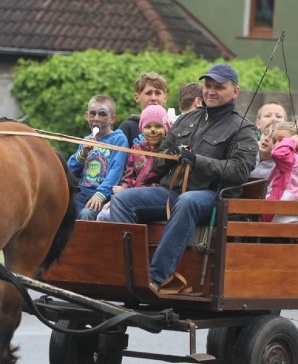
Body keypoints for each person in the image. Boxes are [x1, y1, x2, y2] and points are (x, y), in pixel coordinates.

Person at [109, 63, 257, 293]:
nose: (211, 91)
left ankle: (157, 277)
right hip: (171, 192)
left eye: (219, 87)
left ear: (235, 92)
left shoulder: (242, 128)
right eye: (208, 86)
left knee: (187, 202)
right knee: (122, 200)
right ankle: (127, 270)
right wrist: (169, 157)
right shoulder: (185, 120)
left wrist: (196, 160)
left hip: (210, 197)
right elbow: (158, 163)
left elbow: (239, 171)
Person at [98, 104, 171, 222]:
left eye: (158, 126)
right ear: (142, 129)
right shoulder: (136, 149)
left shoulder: (169, 151)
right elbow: (128, 177)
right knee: (103, 215)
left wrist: (128, 193)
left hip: (154, 196)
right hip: (130, 193)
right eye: (148, 126)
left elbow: (164, 183)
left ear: (166, 128)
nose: (153, 130)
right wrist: (121, 191)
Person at [67, 95, 129, 221]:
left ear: (112, 119)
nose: (96, 118)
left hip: (103, 195)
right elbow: (69, 171)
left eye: (102, 114)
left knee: (86, 214)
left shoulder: (118, 139)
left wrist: (100, 195)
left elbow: (115, 170)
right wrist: (83, 153)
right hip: (82, 192)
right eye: (92, 113)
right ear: (86, 115)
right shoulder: (86, 140)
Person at [263, 121, 298, 223]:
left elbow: (278, 153)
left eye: (281, 140)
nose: (276, 144)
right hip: (277, 213)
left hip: (285, 217)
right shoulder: (287, 160)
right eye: (274, 141)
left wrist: (291, 141)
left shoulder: (293, 159)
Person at [118, 72, 168, 147]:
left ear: (165, 98)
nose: (153, 98)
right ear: (137, 97)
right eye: (148, 93)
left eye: (158, 93)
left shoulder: (174, 127)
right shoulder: (127, 127)